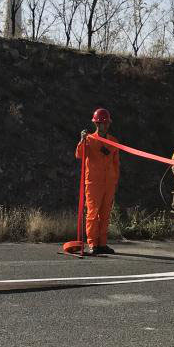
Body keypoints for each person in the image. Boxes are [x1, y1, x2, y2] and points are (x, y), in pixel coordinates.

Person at [74, 108, 121, 256]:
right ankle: (93, 244)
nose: (105, 126)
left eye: (107, 123)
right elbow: (79, 155)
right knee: (92, 215)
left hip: (109, 183)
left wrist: (115, 181)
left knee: (105, 215)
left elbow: (116, 164)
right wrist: (82, 140)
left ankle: (102, 244)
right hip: (93, 183)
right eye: (102, 123)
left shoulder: (113, 142)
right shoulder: (89, 140)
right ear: (96, 124)